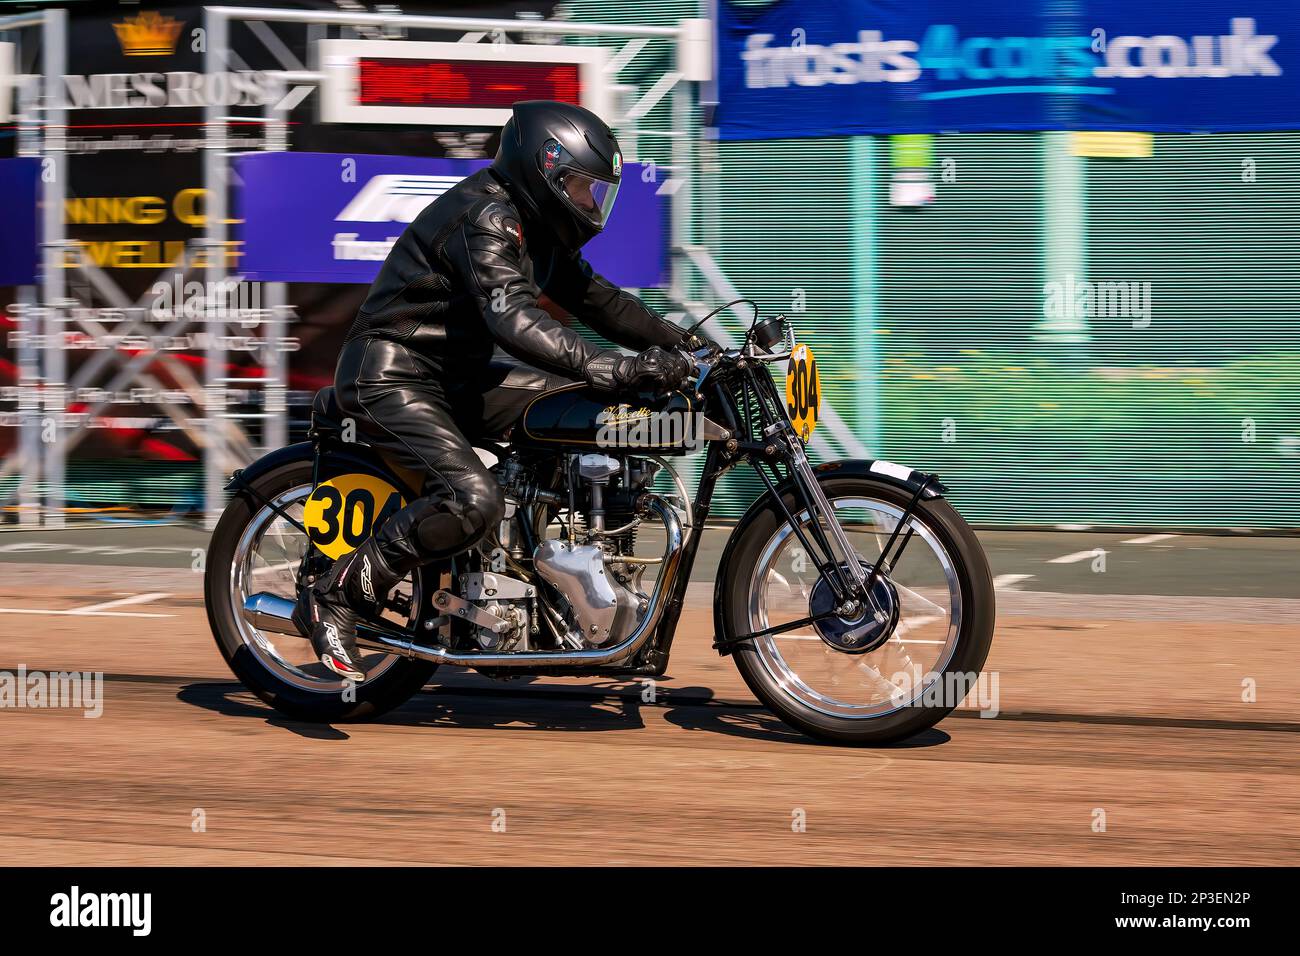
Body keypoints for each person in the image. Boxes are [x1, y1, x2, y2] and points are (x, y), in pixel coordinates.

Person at [294, 100, 694, 681]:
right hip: (395, 373)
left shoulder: (536, 231)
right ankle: (337, 596)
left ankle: (531, 584)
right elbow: (515, 319)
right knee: (472, 500)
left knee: (575, 413)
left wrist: (690, 346)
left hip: (457, 375)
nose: (590, 204)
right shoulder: (486, 217)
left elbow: (601, 301)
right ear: (546, 170)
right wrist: (611, 366)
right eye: (583, 188)